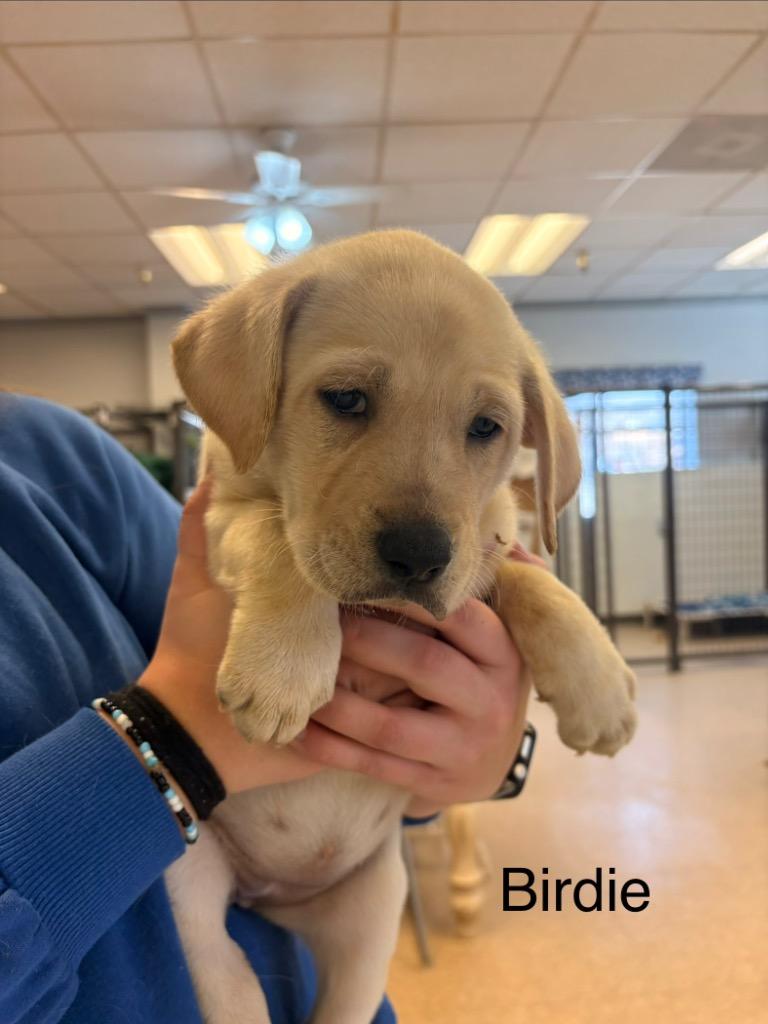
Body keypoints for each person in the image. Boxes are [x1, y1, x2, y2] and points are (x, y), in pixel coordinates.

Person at [0, 392, 532, 1024]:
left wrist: (455, 755)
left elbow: (231, 558)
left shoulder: (48, 455)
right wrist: (168, 745)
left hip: (328, 933)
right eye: (348, 402)